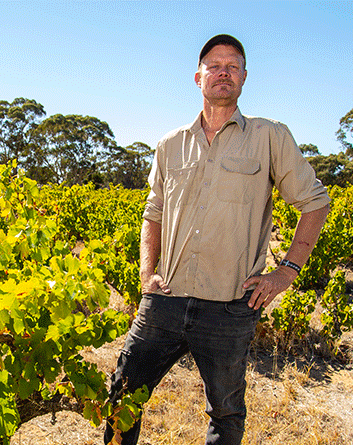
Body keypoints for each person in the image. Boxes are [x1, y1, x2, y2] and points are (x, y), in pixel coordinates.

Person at [103, 34, 331, 445]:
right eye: (214, 65)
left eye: (233, 65)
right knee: (122, 395)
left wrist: (286, 272)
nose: (223, 72)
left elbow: (315, 202)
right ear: (198, 77)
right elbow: (152, 213)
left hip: (229, 306)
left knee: (225, 412)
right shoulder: (170, 144)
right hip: (165, 300)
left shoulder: (270, 136)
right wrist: (146, 274)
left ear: (244, 77)